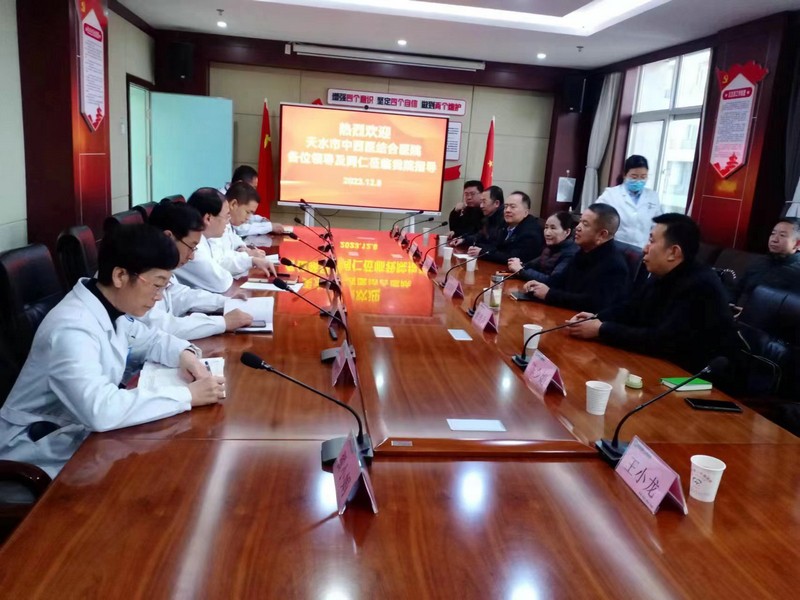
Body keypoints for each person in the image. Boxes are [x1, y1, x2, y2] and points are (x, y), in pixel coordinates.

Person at [0, 224, 225, 477]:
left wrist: (186, 356)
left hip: (80, 434)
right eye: (157, 285)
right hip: (36, 454)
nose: (160, 297)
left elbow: (150, 339)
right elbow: (99, 410)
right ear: (120, 276)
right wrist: (186, 396)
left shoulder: (109, 307)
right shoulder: (71, 328)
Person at [566, 213, 742, 375]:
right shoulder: (663, 274)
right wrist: (597, 317)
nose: (644, 248)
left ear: (673, 252)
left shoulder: (701, 286)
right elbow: (632, 308)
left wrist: (602, 329)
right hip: (658, 364)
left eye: (651, 241)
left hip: (696, 379)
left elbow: (662, 341)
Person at [144, 199, 253, 339]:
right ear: (168, 237)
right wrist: (223, 323)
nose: (192, 256)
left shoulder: (161, 267)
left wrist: (224, 302)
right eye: (191, 247)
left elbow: (181, 296)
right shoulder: (141, 273)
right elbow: (163, 326)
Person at [523, 203, 629, 312]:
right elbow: (560, 281)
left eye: (585, 224)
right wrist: (539, 286)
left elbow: (591, 303)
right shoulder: (583, 251)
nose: (577, 227)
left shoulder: (614, 265)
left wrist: (549, 294)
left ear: (602, 234)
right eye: (580, 221)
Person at [209, 182, 280, 279]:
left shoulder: (229, 223)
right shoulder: (214, 225)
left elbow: (235, 241)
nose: (248, 218)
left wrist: (245, 249)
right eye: (248, 212)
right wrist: (249, 258)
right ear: (233, 204)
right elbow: (220, 262)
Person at [596, 154, 663, 248]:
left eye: (643, 177)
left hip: (642, 248)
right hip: (616, 247)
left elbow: (658, 224)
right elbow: (596, 217)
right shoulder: (610, 194)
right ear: (625, 175)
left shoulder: (652, 196)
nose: (639, 181)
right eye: (634, 177)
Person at [734, 217, 800, 305]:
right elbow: (737, 289)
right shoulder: (760, 262)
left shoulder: (797, 272)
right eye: (773, 233)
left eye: (782, 235)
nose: (774, 239)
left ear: (797, 244)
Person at [467, 191, 543, 264]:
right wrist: (478, 248)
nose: (507, 210)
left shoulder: (530, 232)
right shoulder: (505, 224)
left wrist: (482, 252)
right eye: (506, 207)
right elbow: (495, 246)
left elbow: (512, 257)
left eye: (512, 207)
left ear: (526, 212)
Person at [508, 211, 579, 284]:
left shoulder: (570, 253)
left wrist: (521, 270)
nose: (547, 233)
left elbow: (552, 281)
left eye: (553, 228)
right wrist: (518, 264)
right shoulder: (550, 248)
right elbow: (531, 265)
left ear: (567, 232)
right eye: (546, 227)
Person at [222, 165, 285, 236]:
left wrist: (261, 220)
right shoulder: (221, 202)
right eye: (252, 187)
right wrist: (268, 227)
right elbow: (238, 229)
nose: (254, 191)